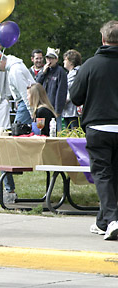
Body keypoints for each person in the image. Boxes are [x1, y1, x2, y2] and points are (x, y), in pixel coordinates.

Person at [70, 20, 118, 241]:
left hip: (98, 126)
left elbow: (76, 96)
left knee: (103, 174)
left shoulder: (90, 65)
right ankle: (103, 221)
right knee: (113, 174)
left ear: (103, 39)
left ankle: (112, 220)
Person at [0, 53, 35, 203]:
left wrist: (32, 113)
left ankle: (9, 191)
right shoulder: (15, 68)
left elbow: (26, 94)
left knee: (6, 149)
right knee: (6, 147)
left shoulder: (15, 71)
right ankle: (6, 186)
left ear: (2, 61)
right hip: (22, 104)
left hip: (25, 105)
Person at [36, 47, 68, 131]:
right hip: (43, 107)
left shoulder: (61, 72)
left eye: (52, 58)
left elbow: (61, 92)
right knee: (43, 130)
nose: (49, 60)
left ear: (56, 59)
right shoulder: (45, 71)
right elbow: (36, 85)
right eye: (47, 58)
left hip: (54, 108)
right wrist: (43, 73)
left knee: (56, 131)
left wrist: (58, 110)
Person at [62, 49, 82, 129]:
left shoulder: (75, 73)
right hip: (67, 111)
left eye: (65, 60)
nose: (63, 62)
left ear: (71, 61)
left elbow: (72, 90)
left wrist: (63, 101)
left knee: (74, 134)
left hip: (73, 111)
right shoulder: (69, 74)